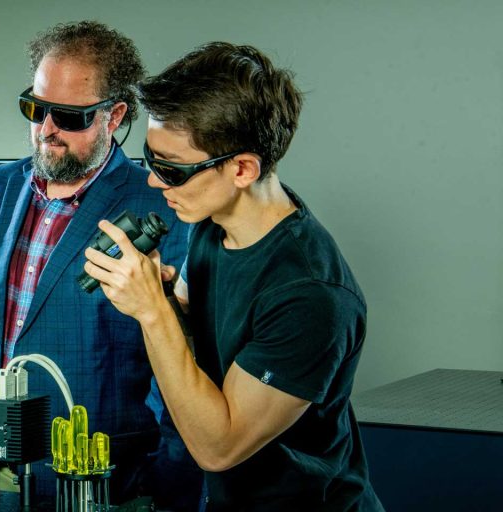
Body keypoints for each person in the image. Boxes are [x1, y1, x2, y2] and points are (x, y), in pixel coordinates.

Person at [83, 42, 383, 510]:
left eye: (171, 170)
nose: (154, 181)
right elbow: (195, 338)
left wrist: (152, 312)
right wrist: (164, 296)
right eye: (150, 158)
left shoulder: (310, 294)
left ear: (242, 169)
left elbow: (218, 447)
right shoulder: (212, 222)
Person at [0, 21, 200, 508]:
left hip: (90, 478)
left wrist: (170, 486)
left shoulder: (165, 210)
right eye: (36, 109)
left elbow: (181, 368)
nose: (47, 129)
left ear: (115, 116)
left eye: (70, 117)